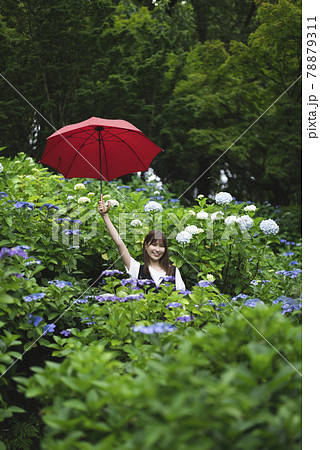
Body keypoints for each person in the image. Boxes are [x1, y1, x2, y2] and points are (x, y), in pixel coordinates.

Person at [98, 194, 186, 290]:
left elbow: (181, 301)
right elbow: (119, 243)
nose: (157, 249)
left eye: (161, 246)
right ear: (145, 246)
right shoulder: (136, 269)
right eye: (153, 244)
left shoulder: (173, 271)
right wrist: (105, 216)